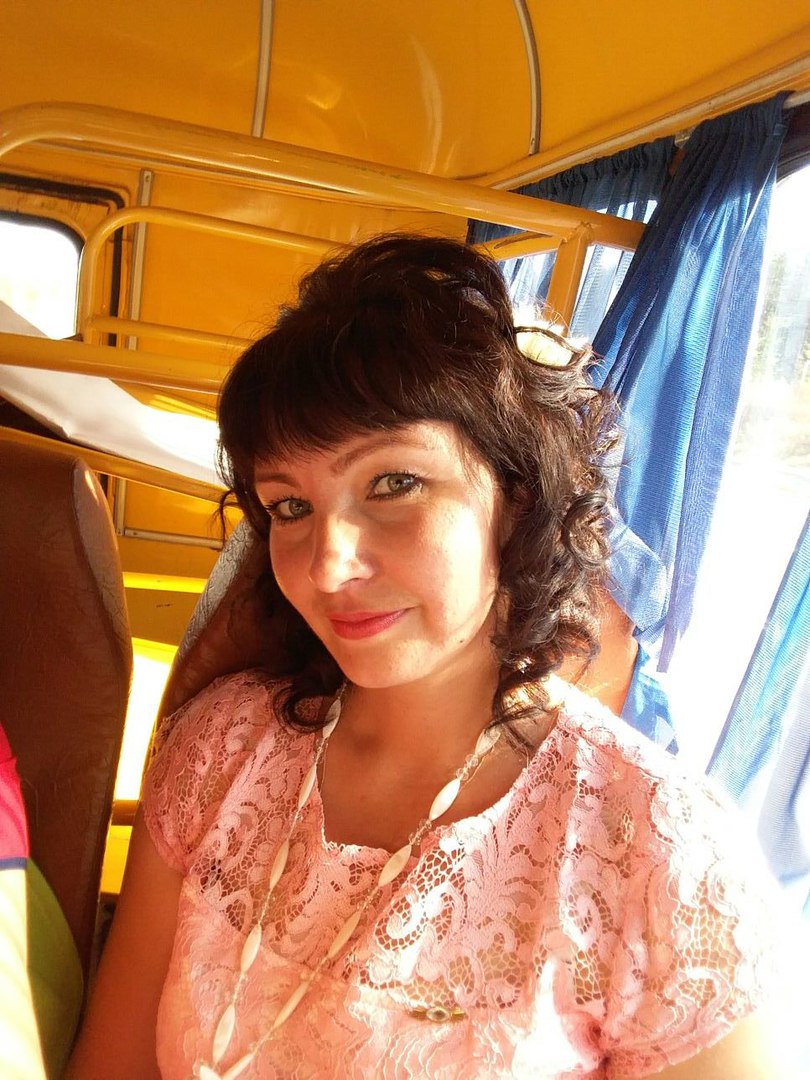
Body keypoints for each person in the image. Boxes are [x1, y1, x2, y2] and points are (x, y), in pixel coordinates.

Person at [69, 234, 787, 1079]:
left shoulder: (658, 857)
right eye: (291, 506)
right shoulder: (222, 750)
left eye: (393, 483)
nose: (328, 564)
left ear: (516, 496)